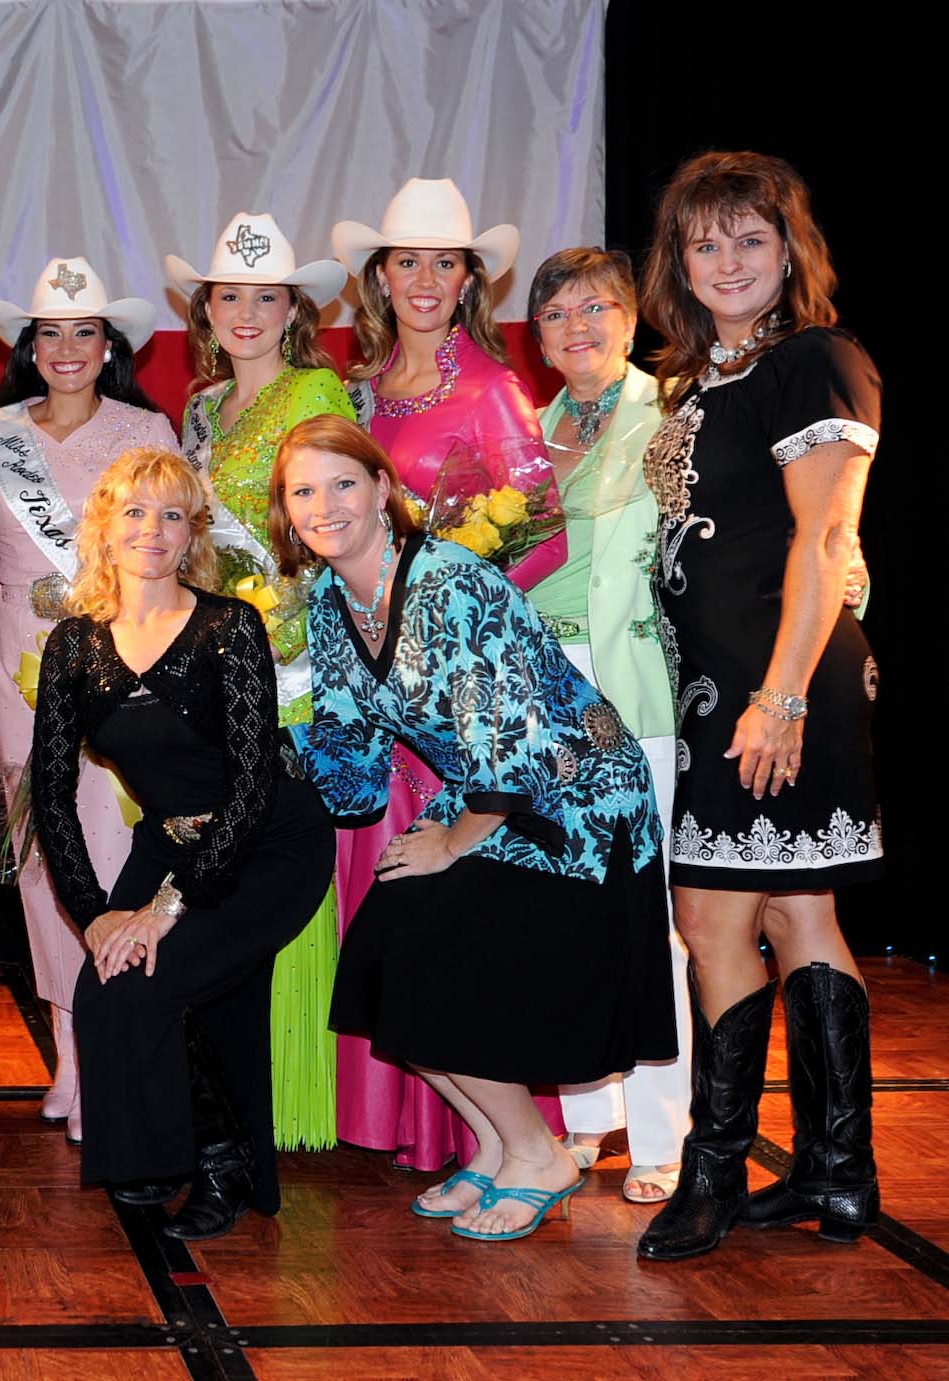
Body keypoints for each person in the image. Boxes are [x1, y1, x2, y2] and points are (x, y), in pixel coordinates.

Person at [279, 415, 675, 1242]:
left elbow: (507, 730)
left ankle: (541, 1154)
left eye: (343, 483)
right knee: (383, 952)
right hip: (485, 800)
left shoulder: (445, 580)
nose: (326, 506)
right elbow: (350, 751)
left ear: (383, 489)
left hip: (573, 803)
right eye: (303, 492)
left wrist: (452, 841)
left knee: (430, 958)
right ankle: (498, 1146)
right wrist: (252, 752)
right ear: (286, 514)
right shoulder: (328, 599)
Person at [633, 152, 884, 1261]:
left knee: (714, 922)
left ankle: (714, 1175)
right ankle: (836, 1177)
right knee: (800, 916)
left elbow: (828, 539)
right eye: (704, 242)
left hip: (771, 686)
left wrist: (782, 697)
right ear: (677, 263)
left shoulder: (815, 361)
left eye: (750, 239)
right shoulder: (707, 380)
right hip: (727, 689)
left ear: (790, 253)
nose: (726, 260)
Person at [326, 177, 568, 1172]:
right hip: (370, 686)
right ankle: (464, 1137)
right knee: (396, 919)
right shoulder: (356, 391)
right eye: (407, 261)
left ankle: (521, 1142)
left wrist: (440, 619)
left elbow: (542, 540)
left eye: (446, 262)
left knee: (457, 921)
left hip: (452, 699)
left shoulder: (492, 390)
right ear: (380, 276)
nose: (425, 279)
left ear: (471, 279)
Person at [31, 446, 333, 1239]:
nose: (152, 530)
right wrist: (95, 912)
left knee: (156, 971)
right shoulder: (72, 645)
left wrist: (163, 909)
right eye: (135, 511)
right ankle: (153, 1157)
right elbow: (50, 795)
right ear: (103, 525)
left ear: (192, 530)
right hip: (166, 842)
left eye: (172, 514)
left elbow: (251, 782)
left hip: (266, 843)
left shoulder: (228, 626)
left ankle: (221, 1160)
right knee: (104, 985)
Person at [0, 255, 173, 1141]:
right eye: (48, 331)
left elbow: (174, 549)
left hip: (117, 668)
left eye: (82, 331)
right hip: (19, 673)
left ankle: (113, 1039)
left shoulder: (147, 429)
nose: (65, 347)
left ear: (107, 344)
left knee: (114, 845)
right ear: (28, 345)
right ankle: (69, 1051)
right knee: (42, 860)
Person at [165, 214, 353, 1150]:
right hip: (219, 665)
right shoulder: (200, 410)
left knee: (279, 858)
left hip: (294, 667)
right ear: (205, 309)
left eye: (265, 297)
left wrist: (279, 624)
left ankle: (293, 1098)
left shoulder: (315, 391)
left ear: (293, 309)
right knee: (219, 858)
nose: (245, 312)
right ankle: (226, 1087)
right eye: (228, 296)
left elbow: (337, 524)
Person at [517, 247, 690, 1206]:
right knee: (562, 906)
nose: (576, 327)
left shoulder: (673, 412)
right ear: (535, 336)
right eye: (555, 314)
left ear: (632, 318)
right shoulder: (519, 433)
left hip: (638, 688)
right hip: (543, 702)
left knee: (648, 915)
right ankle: (588, 1116)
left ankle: (663, 1132)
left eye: (596, 308)